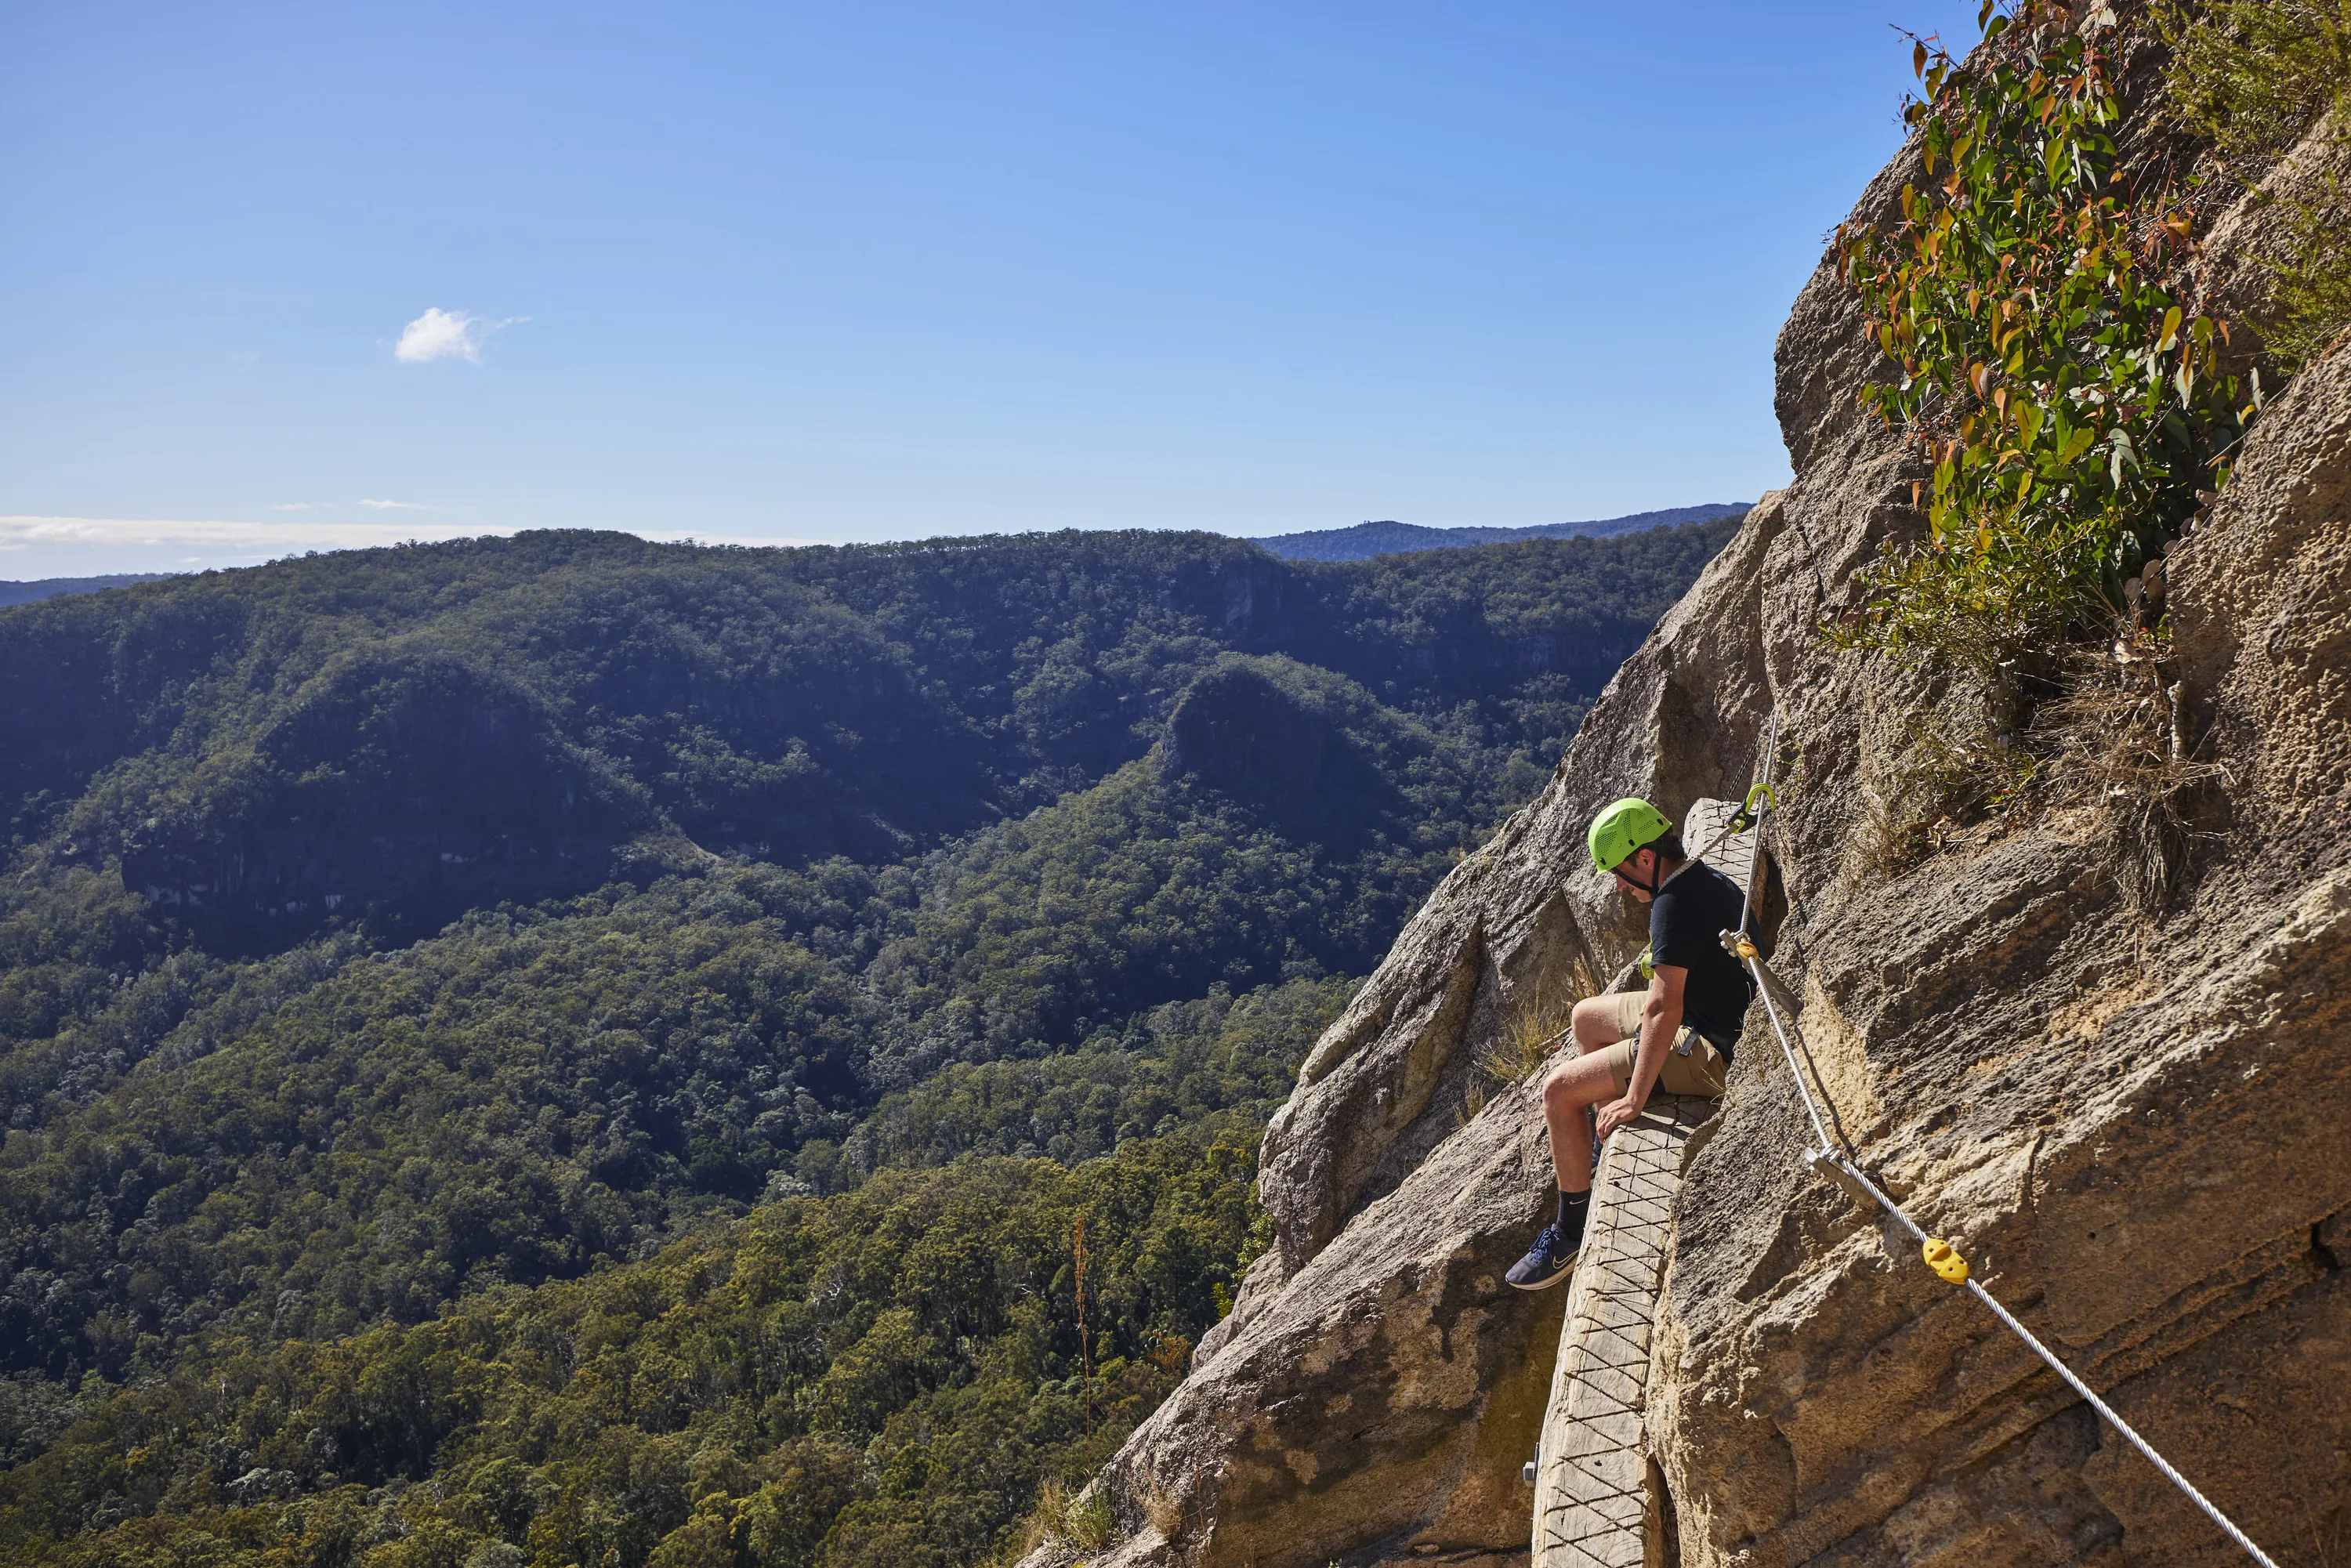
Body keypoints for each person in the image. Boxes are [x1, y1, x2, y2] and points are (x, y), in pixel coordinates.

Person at [1505, 798, 1755, 1291]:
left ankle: (1571, 1230)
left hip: (1708, 1048)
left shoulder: (1672, 906)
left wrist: (1633, 1099)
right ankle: (1595, 1157)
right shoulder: (1699, 876)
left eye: (1620, 872)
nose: (1619, 885)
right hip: (1708, 1008)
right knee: (1587, 1016)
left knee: (1558, 1092)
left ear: (1645, 858)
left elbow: (1664, 1011)